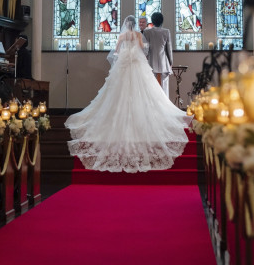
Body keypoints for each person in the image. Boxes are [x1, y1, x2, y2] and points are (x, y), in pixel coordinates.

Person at [65, 15, 190, 172]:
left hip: (124, 64)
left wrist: (122, 55)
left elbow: (116, 51)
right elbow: (143, 49)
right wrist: (137, 54)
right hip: (136, 64)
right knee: (143, 90)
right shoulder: (138, 35)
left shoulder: (123, 35)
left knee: (118, 92)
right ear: (135, 25)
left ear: (126, 25)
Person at [142, 12, 173, 98]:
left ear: (152, 21)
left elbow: (145, 48)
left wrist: (144, 59)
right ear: (162, 21)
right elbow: (169, 49)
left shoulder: (146, 32)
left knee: (151, 86)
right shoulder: (166, 31)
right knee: (164, 87)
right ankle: (165, 107)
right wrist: (170, 62)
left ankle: (152, 106)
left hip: (151, 61)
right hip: (164, 61)